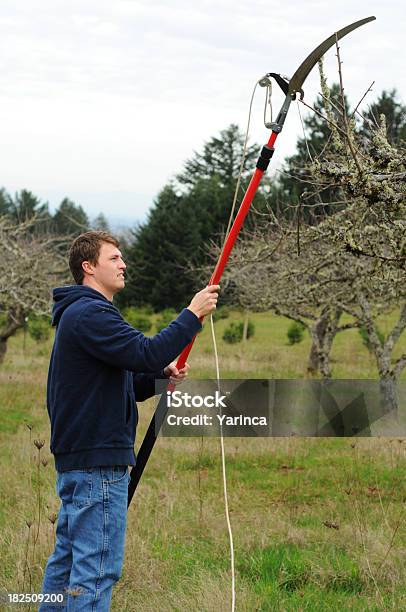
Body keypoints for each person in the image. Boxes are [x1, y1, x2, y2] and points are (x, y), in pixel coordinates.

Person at [40, 230, 219, 611]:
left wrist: (158, 378)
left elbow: (125, 378)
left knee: (67, 565)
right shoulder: (90, 312)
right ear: (88, 267)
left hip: (84, 459)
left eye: (122, 258)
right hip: (98, 463)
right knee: (96, 570)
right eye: (114, 258)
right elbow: (145, 351)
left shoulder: (82, 315)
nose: (124, 264)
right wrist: (192, 314)